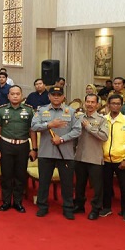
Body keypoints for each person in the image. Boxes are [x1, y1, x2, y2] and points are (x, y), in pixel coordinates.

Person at [30, 86, 81, 219]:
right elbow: (34, 126)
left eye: (59, 94)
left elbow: (77, 130)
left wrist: (62, 139)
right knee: (44, 182)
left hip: (66, 154)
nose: (56, 97)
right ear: (49, 96)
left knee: (67, 183)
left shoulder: (71, 111)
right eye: (53, 94)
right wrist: (49, 125)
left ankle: (68, 207)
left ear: (63, 96)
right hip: (46, 153)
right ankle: (42, 206)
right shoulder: (41, 111)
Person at [0, 86, 37, 213]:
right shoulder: (1, 111)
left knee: (20, 175)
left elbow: (32, 130)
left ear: (21, 95)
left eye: (17, 94)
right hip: (6, 144)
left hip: (23, 146)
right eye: (12, 94)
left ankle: (18, 202)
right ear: (8, 96)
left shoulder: (29, 111)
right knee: (6, 175)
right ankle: (6, 201)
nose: (15, 96)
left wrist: (34, 148)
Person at [73, 94, 110, 220]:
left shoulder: (102, 119)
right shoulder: (78, 117)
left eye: (92, 102)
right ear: (84, 103)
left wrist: (89, 127)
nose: (90, 104)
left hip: (94, 157)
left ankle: (95, 208)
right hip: (79, 156)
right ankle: (79, 205)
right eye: (87, 102)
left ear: (97, 105)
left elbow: (104, 137)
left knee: (97, 186)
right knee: (79, 184)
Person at [101, 94, 125, 222]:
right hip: (105, 159)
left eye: (118, 103)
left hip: (121, 159)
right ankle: (106, 207)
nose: (115, 105)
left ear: (121, 105)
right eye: (113, 103)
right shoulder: (103, 120)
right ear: (108, 105)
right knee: (105, 186)